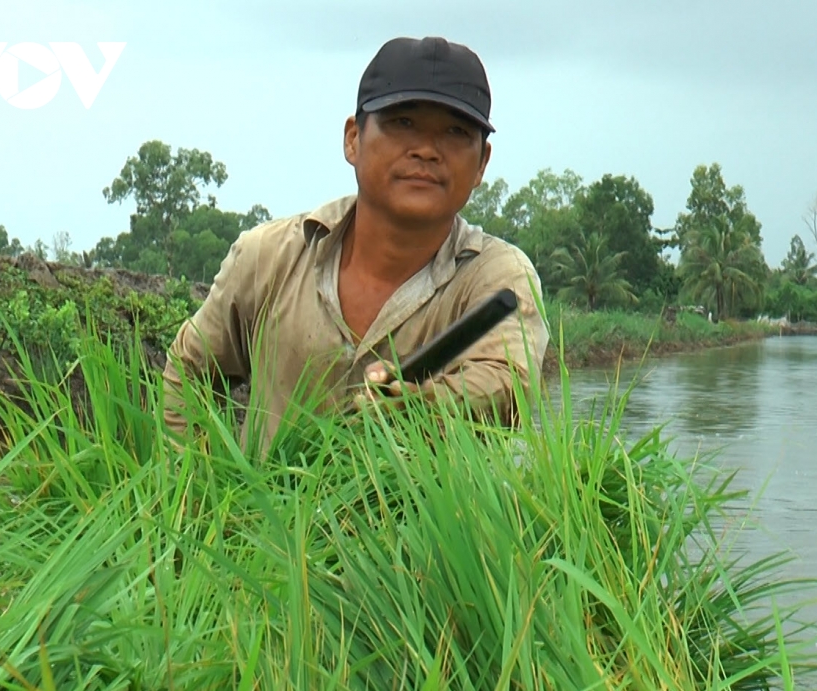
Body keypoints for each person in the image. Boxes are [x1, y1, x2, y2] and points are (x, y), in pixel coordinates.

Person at [160, 36, 549, 453]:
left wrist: (422, 406)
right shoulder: (270, 256)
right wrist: (202, 498)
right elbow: (189, 370)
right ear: (353, 139)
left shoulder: (497, 276)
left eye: (455, 132)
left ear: (481, 164)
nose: (426, 150)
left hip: (425, 518)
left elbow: (508, 383)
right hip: (268, 514)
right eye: (402, 123)